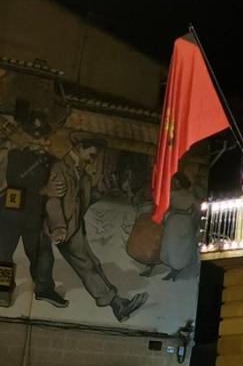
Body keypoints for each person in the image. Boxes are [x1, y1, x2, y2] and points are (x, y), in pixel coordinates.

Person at [44, 136, 147, 322]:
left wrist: (102, 190)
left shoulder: (83, 175)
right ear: (80, 146)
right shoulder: (59, 168)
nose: (94, 158)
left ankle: (117, 303)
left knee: (92, 263)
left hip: (74, 227)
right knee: (86, 266)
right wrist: (58, 227)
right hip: (61, 228)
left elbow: (86, 201)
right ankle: (116, 303)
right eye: (92, 153)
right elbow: (53, 201)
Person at [0, 112, 68, 307]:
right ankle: (2, 290)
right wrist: (42, 190)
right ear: (24, 134)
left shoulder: (51, 164)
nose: (40, 140)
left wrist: (57, 225)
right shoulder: (7, 155)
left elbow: (54, 196)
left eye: (43, 135)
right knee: (2, 254)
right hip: (7, 215)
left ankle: (44, 288)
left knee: (43, 254)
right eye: (34, 135)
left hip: (35, 218)